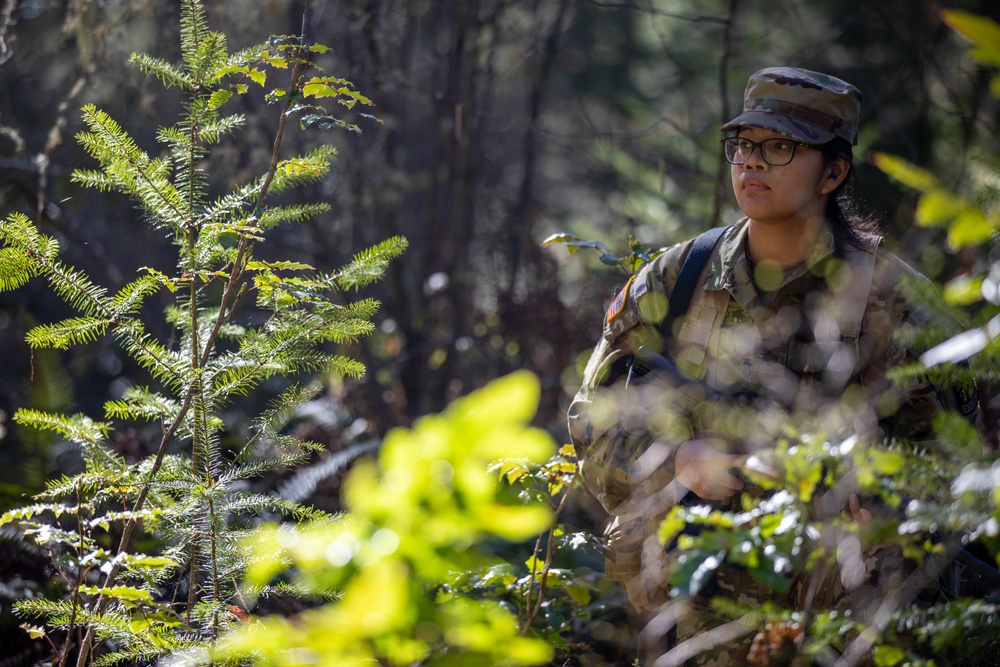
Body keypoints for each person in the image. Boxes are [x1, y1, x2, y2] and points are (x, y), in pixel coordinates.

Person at [566, 67, 983, 666]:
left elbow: (960, 476)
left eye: (780, 146)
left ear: (834, 171)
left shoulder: (901, 307)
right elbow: (592, 427)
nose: (752, 163)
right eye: (743, 145)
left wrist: (876, 501)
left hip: (849, 634)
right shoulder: (677, 278)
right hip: (693, 631)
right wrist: (679, 464)